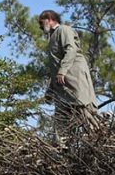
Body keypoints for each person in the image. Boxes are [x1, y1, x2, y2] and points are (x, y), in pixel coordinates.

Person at [38, 10, 97, 141]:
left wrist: (62, 71)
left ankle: (98, 141)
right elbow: (54, 68)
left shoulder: (64, 30)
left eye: (41, 23)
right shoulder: (52, 38)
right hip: (62, 88)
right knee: (60, 123)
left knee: (85, 114)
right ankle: (61, 150)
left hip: (74, 80)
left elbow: (71, 50)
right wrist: (50, 91)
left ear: (49, 19)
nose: (40, 27)